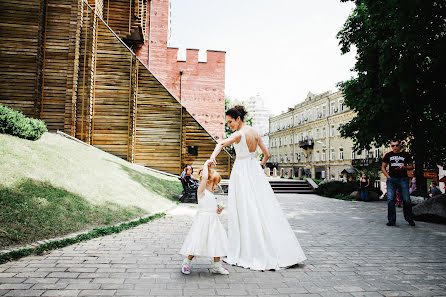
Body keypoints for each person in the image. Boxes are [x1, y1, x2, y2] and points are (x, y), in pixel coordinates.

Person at [210, 105, 306, 271]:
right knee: (262, 207)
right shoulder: (255, 132)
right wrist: (259, 165)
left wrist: (212, 157)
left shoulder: (239, 134)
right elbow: (267, 154)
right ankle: (275, 247)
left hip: (241, 171)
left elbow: (221, 143)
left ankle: (249, 249)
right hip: (254, 170)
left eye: (230, 122)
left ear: (238, 119)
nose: (229, 125)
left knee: (244, 208)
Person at [179, 160, 229, 275]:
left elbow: (211, 209)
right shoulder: (201, 192)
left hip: (213, 223)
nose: (216, 186)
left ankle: (217, 266)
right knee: (197, 242)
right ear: (207, 182)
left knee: (217, 242)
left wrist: (218, 210)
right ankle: (186, 263)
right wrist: (206, 164)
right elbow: (205, 177)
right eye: (215, 183)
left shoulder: (211, 195)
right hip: (202, 223)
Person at [381, 140, 416, 227]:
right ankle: (392, 220)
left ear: (400, 146)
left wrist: (404, 167)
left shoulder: (405, 155)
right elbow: (383, 167)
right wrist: (388, 177)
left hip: (403, 179)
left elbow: (412, 166)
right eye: (393, 146)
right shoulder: (388, 155)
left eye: (396, 145)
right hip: (392, 180)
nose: (395, 147)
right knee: (391, 200)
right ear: (391, 147)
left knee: (406, 199)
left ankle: (409, 218)